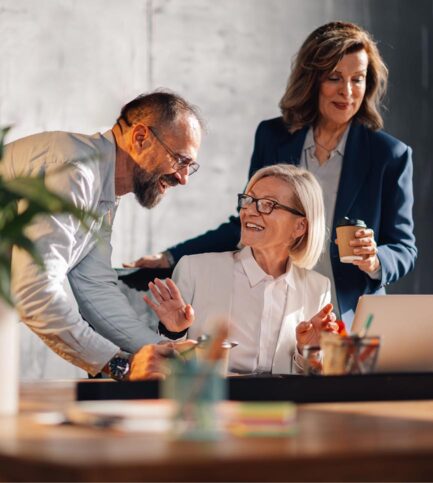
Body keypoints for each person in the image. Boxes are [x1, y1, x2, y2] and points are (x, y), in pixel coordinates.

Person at [128, 22, 417, 326]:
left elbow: (404, 248)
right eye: (334, 77)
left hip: (349, 316)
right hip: (274, 307)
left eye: (357, 79)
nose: (347, 91)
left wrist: (374, 260)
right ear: (313, 79)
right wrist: (170, 257)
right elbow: (248, 220)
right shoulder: (273, 136)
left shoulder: (389, 155)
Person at [3, 91, 203, 380]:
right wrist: (120, 364)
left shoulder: (101, 183)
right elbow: (34, 291)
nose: (183, 178)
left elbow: (95, 287)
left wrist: (164, 351)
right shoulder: (75, 172)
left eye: (189, 167)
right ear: (140, 138)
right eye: (179, 160)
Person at [144, 164, 338, 374]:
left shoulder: (318, 288)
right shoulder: (195, 270)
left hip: (284, 405)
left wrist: (307, 351)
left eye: (267, 204)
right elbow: (164, 367)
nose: (249, 211)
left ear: (299, 227)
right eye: (249, 200)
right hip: (213, 402)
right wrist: (173, 332)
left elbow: (316, 380)